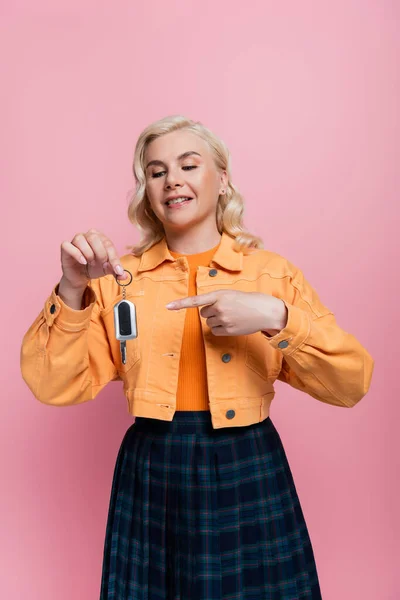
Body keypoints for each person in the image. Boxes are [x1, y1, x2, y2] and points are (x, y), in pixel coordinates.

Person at [20, 115, 374, 599]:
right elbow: (52, 384)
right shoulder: (118, 279)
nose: (173, 181)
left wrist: (275, 315)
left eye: (189, 165)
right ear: (147, 189)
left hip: (247, 461)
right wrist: (73, 285)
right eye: (157, 171)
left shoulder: (272, 275)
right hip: (153, 465)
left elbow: (350, 383)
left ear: (222, 179)